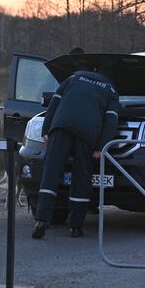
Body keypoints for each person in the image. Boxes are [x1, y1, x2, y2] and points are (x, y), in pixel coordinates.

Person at [32, 48, 119, 238]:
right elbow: (110, 120)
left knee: (51, 172)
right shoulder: (111, 89)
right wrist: (101, 146)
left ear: (96, 71)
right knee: (81, 177)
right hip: (87, 133)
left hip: (61, 126)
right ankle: (75, 226)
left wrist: (46, 131)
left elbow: (54, 103)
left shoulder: (73, 78)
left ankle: (41, 219)